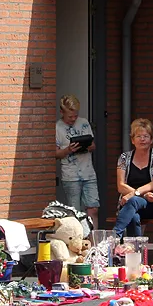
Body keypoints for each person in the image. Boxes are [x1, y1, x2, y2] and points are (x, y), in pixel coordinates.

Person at [113, 118, 153, 237]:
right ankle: (135, 251)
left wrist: (134, 194)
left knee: (133, 201)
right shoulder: (124, 158)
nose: (142, 139)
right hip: (131, 201)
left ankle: (115, 235)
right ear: (133, 140)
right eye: (138, 136)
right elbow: (121, 186)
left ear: (151, 139)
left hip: (152, 203)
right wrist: (141, 194)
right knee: (133, 216)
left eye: (146, 136)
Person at [54, 94, 99, 227]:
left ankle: (93, 239)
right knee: (75, 211)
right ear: (62, 112)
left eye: (75, 116)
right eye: (70, 117)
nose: (73, 119)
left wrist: (87, 146)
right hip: (71, 175)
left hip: (88, 172)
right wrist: (68, 150)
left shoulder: (84, 123)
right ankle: (79, 241)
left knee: (93, 208)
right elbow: (55, 154)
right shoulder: (58, 127)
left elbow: (93, 145)